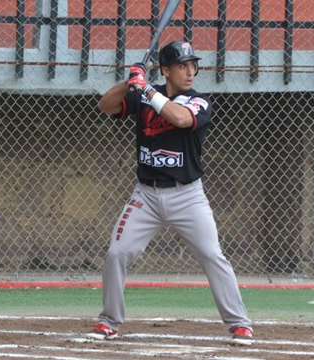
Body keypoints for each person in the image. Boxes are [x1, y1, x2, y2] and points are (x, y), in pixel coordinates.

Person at [86, 41, 254, 346]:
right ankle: (109, 320)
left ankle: (239, 323)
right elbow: (105, 106)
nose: (190, 71)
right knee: (116, 254)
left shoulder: (199, 101)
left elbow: (180, 118)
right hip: (145, 196)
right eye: (182, 65)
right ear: (165, 70)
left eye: (192, 65)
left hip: (187, 196)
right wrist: (130, 81)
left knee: (212, 256)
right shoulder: (144, 97)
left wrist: (147, 89)